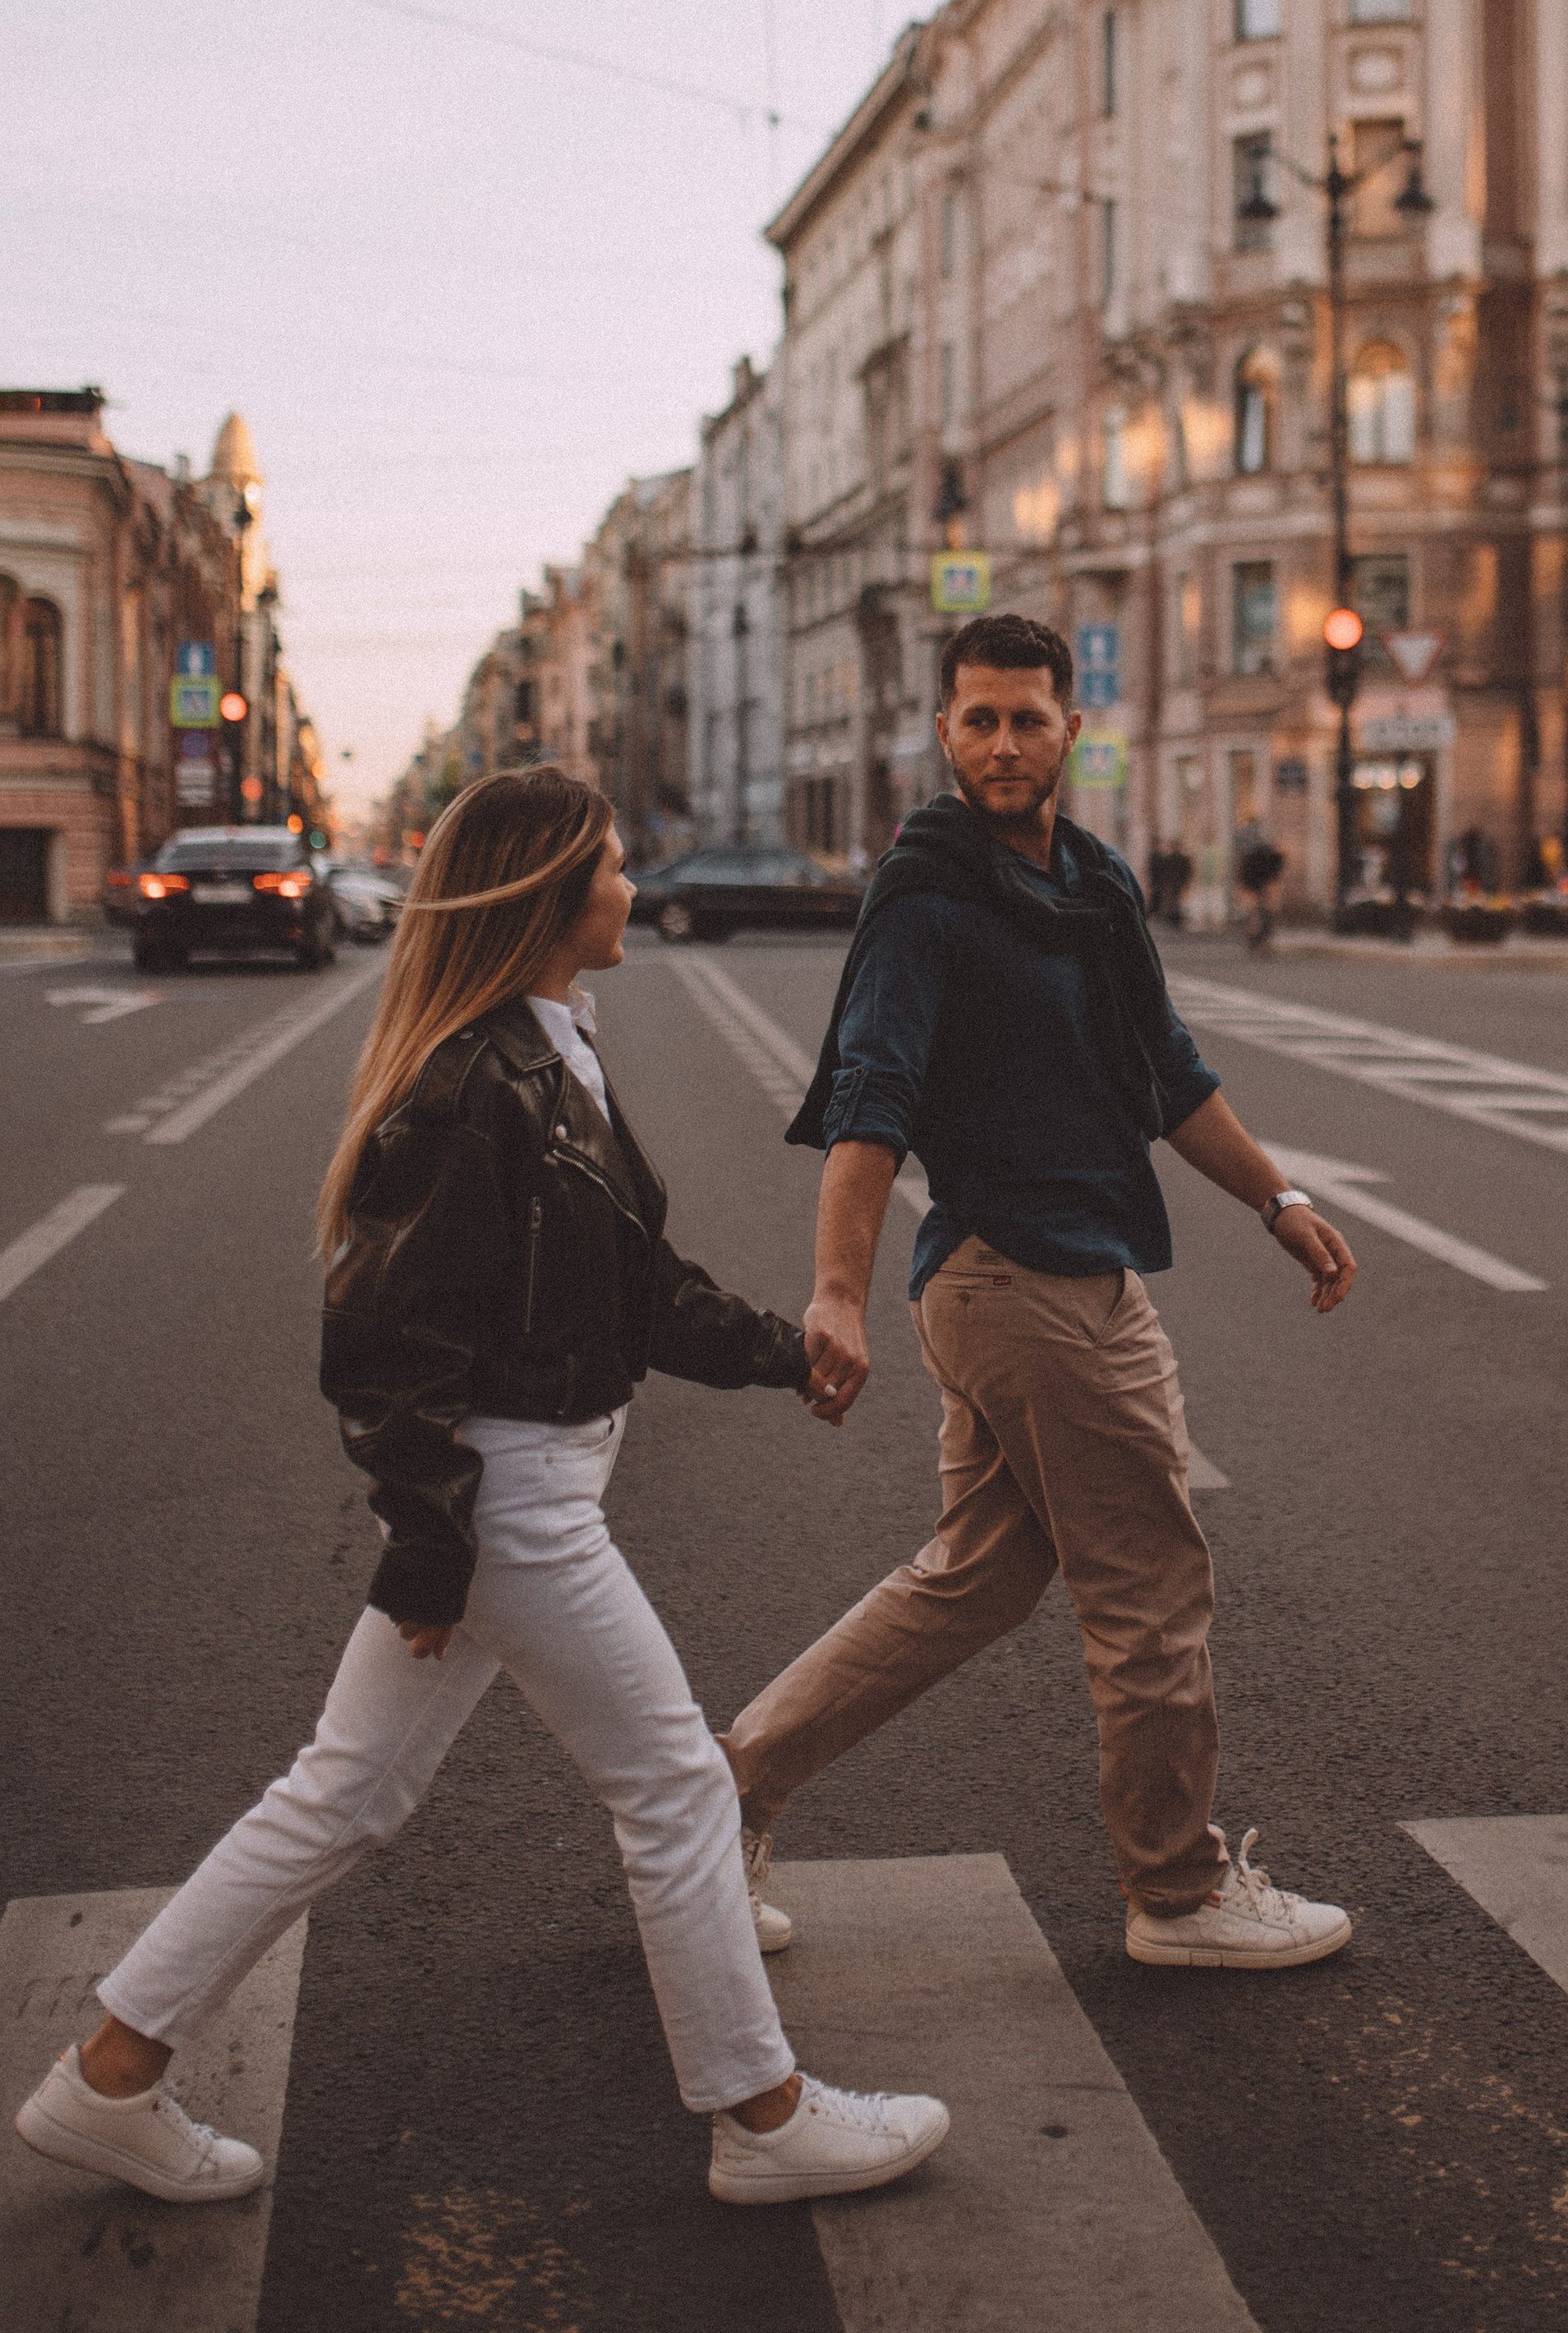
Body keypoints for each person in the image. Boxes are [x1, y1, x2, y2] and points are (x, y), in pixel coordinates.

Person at [13, 767, 946, 2213]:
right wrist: (435, 1548)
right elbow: (384, 1344)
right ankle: (760, 2111)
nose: (633, 888)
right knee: (677, 1786)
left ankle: (109, 2073)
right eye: (614, 870)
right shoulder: (466, 1085)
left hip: (520, 1477)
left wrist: (787, 1353)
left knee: (345, 1792)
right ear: (547, 898)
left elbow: (632, 1284)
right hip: (506, 1492)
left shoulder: (545, 1044)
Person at [724, 614, 1358, 1970]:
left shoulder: (1096, 880)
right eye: (977, 719)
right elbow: (870, 1100)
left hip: (1038, 1270)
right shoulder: (928, 893)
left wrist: (1279, 1198)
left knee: (975, 1577)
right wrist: (833, 1291)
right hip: (1023, 1277)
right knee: (1151, 1587)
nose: (1003, 741)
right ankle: (1178, 1894)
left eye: (1027, 716)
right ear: (943, 732)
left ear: (1074, 726)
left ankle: (721, 1797)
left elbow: (1169, 1073)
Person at [1235, 827, 1285, 950]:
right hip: (1262, 885)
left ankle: (1256, 934)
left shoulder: (1250, 856)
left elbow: (1243, 873)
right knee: (1265, 911)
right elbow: (1277, 869)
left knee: (1255, 912)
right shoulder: (1271, 855)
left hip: (1254, 885)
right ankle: (1260, 937)